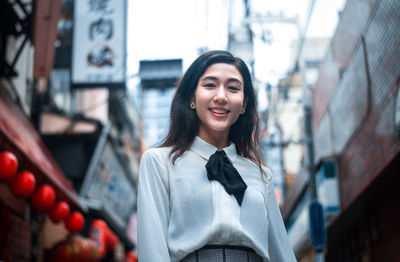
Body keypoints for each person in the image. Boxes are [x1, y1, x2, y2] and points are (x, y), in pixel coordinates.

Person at [137, 50, 296, 262]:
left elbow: (282, 254)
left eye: (232, 88)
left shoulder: (261, 174)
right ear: (192, 98)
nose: (221, 96)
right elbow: (152, 252)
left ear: (244, 105)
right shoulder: (158, 163)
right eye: (210, 85)